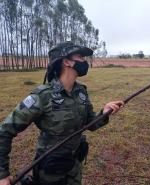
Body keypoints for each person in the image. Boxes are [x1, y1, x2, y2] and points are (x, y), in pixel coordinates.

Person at [0, 41, 124, 185]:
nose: (84, 61)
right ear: (67, 62)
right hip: (51, 171)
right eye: (80, 57)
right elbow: (5, 131)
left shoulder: (81, 92)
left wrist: (105, 112)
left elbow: (90, 124)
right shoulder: (42, 96)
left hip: (74, 166)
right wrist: (2, 175)